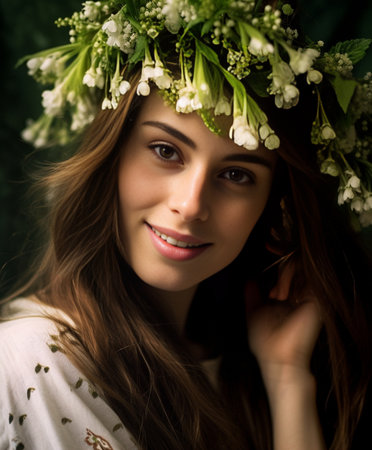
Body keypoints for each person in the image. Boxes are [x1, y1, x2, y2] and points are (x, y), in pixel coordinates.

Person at [1, 1, 371, 449]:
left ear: (272, 209)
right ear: (112, 156)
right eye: (165, 151)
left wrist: (286, 377)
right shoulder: (22, 366)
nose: (191, 205)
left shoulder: (242, 373)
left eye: (237, 175)